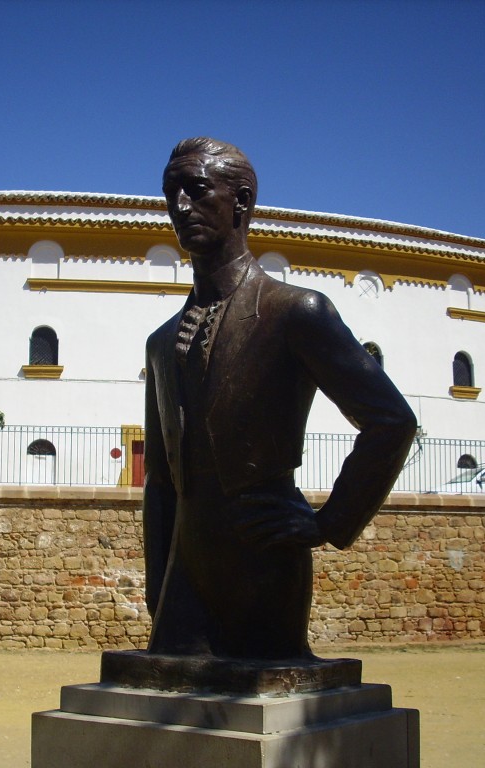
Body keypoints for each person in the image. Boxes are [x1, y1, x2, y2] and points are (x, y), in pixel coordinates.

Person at [143, 137, 417, 660]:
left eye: (197, 190)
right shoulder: (161, 343)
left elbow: (391, 421)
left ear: (241, 202)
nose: (180, 207)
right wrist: (159, 584)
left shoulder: (296, 312)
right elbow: (161, 478)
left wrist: (329, 522)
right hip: (185, 572)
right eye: (170, 193)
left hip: (264, 560)